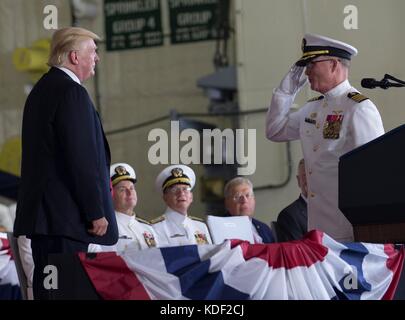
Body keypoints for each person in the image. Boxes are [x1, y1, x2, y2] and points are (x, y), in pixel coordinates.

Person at [14, 27, 118, 299]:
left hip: (46, 221)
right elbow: (80, 158)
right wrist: (95, 211)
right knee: (67, 293)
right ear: (74, 56)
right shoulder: (72, 93)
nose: (97, 58)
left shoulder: (41, 91)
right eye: (93, 52)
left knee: (50, 292)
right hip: (67, 221)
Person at [266, 34, 385, 242]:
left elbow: (375, 174)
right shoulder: (312, 108)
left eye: (312, 64)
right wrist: (286, 91)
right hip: (318, 229)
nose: (307, 71)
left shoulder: (358, 108)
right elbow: (274, 130)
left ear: (333, 64)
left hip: (349, 229)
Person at [89, 163, 158, 252]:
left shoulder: (148, 228)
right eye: (122, 189)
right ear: (110, 195)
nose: (129, 192)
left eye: (132, 188)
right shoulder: (103, 227)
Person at [151, 165, 212, 246]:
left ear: (191, 197)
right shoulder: (155, 228)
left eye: (185, 189)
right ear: (165, 197)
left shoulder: (201, 226)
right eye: (174, 189)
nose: (181, 193)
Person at [224, 177, 275, 243]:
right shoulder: (221, 228)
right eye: (238, 197)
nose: (244, 200)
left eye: (247, 195)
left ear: (254, 199)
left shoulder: (264, 228)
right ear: (227, 203)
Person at [276, 159, 308, 242]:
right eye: (305, 175)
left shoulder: (334, 210)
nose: (310, 180)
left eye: (314, 175)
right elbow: (296, 252)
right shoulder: (288, 216)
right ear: (298, 180)